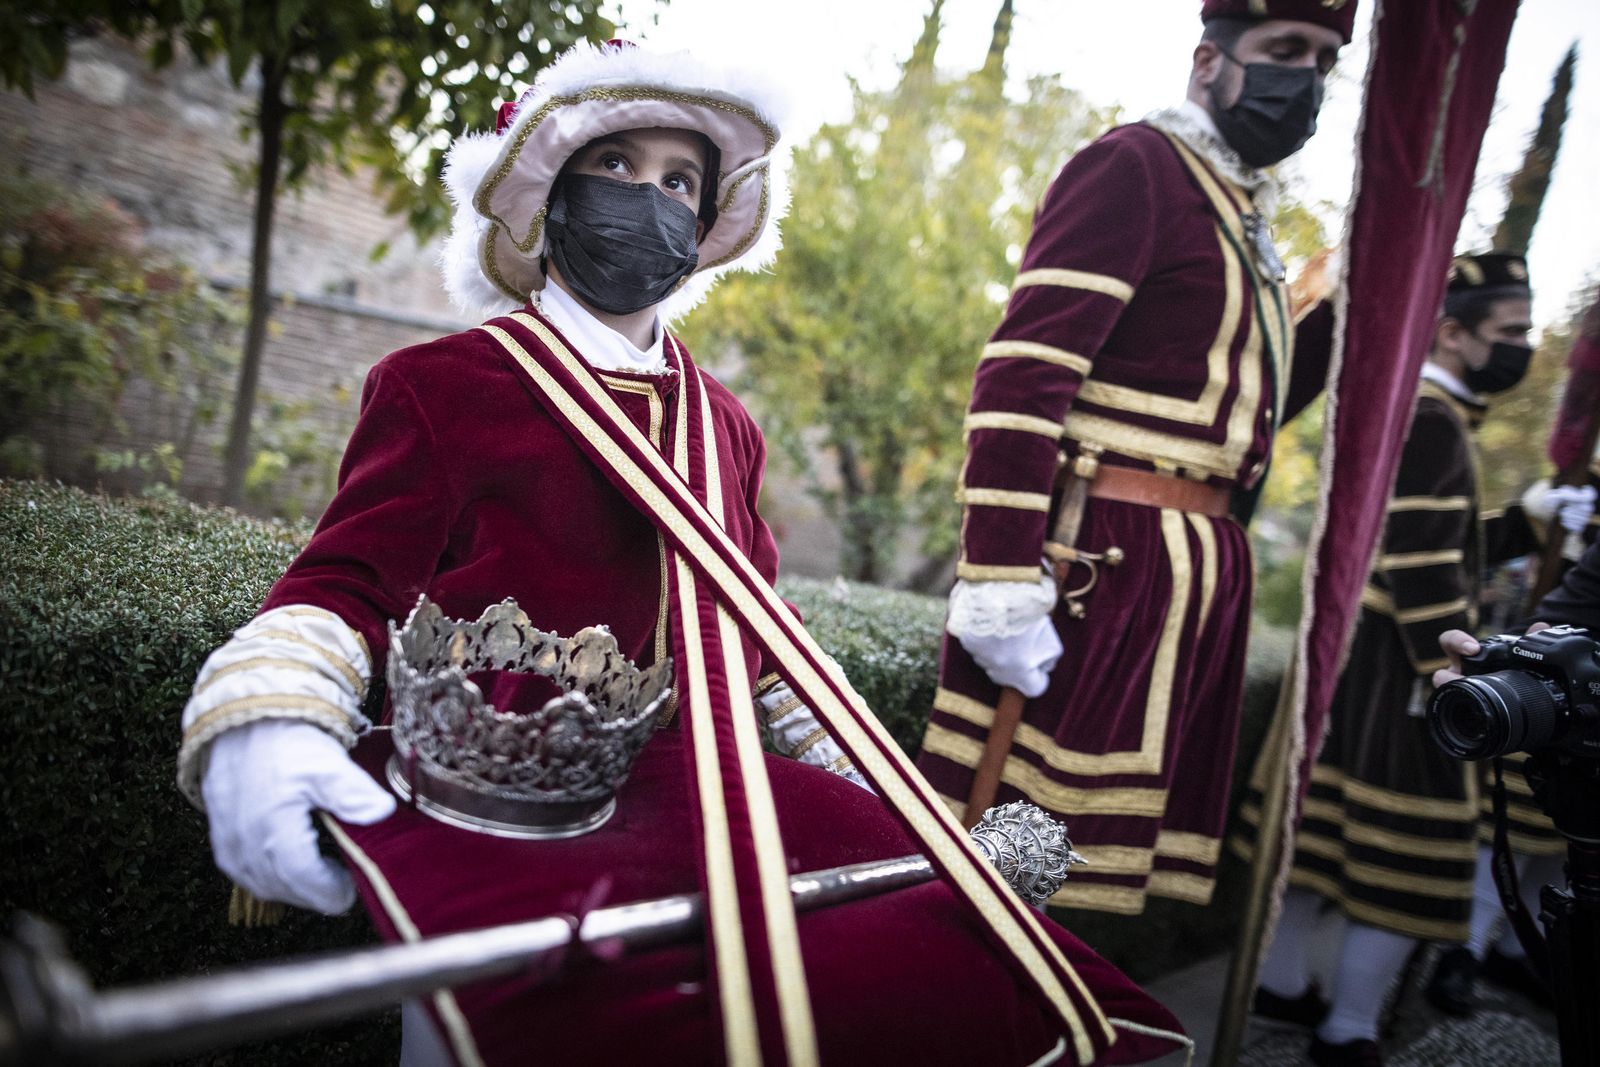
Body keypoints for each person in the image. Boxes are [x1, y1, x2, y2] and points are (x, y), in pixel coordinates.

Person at [175, 39, 1185, 1067]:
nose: (646, 199)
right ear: (551, 201)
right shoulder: (441, 383)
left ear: (702, 229)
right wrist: (268, 719)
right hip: (503, 810)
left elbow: (762, 640)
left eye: (678, 181)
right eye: (616, 168)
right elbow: (347, 581)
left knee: (970, 978)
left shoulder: (727, 424)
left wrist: (882, 788)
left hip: (700, 795)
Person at [915, 0, 1354, 916]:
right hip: (1099, 568)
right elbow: (1022, 376)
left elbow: (1243, 415)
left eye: (1323, 59)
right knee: (1013, 868)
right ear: (1208, 59)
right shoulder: (1138, 166)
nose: (1303, 78)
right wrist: (997, 578)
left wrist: (1355, 304)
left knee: (1092, 889)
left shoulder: (1243, 212)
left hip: (1187, 577)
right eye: (1283, 50)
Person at [1246, 252, 1535, 1067]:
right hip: (1404, 667)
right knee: (1414, 853)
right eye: (1509, 332)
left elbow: (1443, 539)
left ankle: (1283, 982)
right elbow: (1421, 566)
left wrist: (1526, 525)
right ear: (1452, 332)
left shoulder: (1431, 412)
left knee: (1327, 835)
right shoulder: (1435, 416)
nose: (1522, 346)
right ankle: (1349, 1030)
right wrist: (1453, 674)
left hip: (1363, 657)